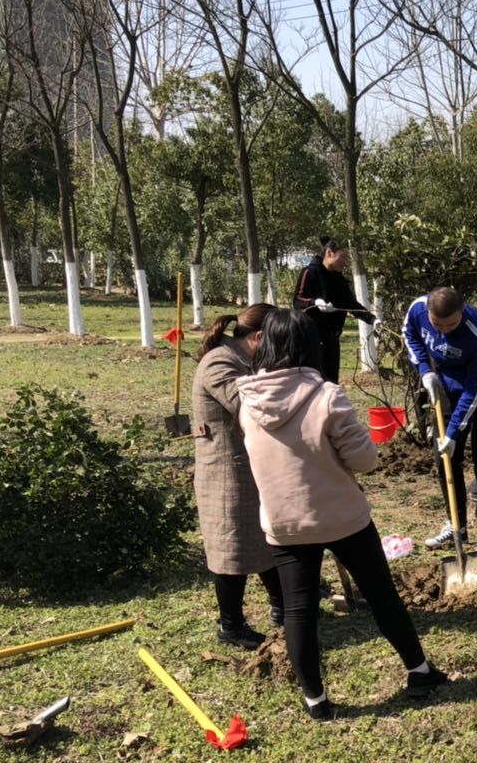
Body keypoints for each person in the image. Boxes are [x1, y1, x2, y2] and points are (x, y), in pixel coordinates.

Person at [237, 309, 448, 720]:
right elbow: (365, 460)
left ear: (266, 344)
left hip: (284, 522)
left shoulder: (247, 401)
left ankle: (316, 702)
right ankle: (419, 671)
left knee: (298, 610)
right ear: (310, 346)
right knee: (381, 594)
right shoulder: (326, 396)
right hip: (341, 516)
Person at [191, 303, 284, 649]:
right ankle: (230, 625)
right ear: (259, 337)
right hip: (225, 469)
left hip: (249, 463)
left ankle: (282, 606)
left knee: (264, 538)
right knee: (231, 547)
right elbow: (248, 406)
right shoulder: (220, 362)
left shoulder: (243, 358)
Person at [403, 286, 477, 561]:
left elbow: (476, 390)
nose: (445, 331)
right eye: (438, 325)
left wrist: (453, 432)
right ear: (429, 313)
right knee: (446, 460)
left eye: (451, 324)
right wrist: (424, 370)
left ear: (462, 311)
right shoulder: (417, 309)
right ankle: (456, 525)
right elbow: (410, 335)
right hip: (446, 386)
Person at [291, 236, 377, 383]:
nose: (345, 261)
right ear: (330, 253)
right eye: (342, 256)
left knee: (331, 382)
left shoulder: (339, 279)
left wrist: (372, 319)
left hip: (332, 339)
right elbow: (298, 300)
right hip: (311, 340)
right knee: (312, 383)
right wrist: (314, 302)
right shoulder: (310, 272)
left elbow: (351, 304)